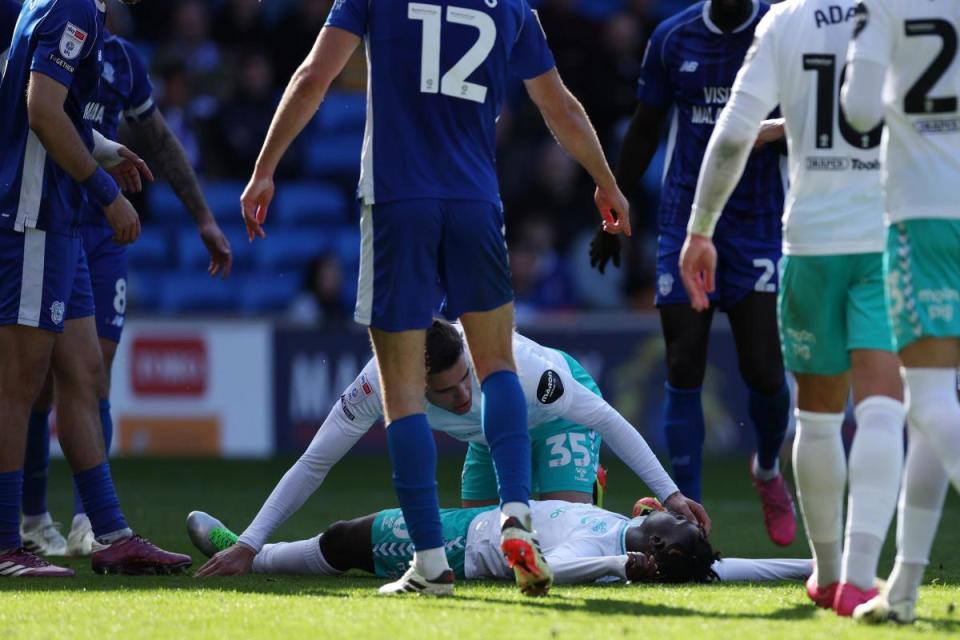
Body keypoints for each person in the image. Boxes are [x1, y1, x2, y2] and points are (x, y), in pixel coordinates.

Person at [238, 0, 631, 596]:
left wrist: (265, 167)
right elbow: (559, 105)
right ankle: (516, 515)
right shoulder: (512, 7)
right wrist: (605, 180)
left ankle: (429, 563)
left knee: (402, 392)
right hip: (476, 202)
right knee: (497, 365)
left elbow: (313, 76)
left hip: (400, 201)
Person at [678, 0, 908, 618]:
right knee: (886, 409)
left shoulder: (785, 20)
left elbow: (732, 133)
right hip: (885, 236)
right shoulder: (902, 11)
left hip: (809, 243)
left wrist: (700, 229)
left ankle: (829, 576)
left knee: (820, 416)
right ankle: (862, 575)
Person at [195, 321, 709, 585]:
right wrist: (252, 538)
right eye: (447, 392)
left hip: (559, 421)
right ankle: (251, 552)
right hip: (490, 439)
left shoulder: (527, 369)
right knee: (483, 555)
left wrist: (670, 493)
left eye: (466, 379)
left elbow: (605, 417)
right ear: (411, 384)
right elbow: (315, 462)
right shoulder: (379, 382)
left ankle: (614, 514)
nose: (464, 396)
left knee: (559, 539)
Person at [16, 19, 233, 557]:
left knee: (92, 372)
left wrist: (203, 216)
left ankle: (92, 524)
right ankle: (29, 517)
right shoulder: (53, 22)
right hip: (52, 212)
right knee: (34, 381)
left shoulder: (122, 58)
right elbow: (35, 112)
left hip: (99, 230)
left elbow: (158, 137)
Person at [589, 0, 795, 548]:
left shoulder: (779, 30)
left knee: (765, 372)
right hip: (685, 220)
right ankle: (690, 520)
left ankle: (769, 468)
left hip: (755, 222)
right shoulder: (672, 37)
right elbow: (646, 127)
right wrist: (612, 214)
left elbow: (811, 125)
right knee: (683, 361)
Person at [841, 0, 960, 624]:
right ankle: (905, 587)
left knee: (931, 403)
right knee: (935, 411)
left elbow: (858, 109)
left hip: (924, 213)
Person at [187, 501, 808, 586]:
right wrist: (818, 566)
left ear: (662, 547)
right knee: (347, 540)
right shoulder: (636, 532)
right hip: (483, 515)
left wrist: (621, 562)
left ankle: (252, 555)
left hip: (467, 541)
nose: (685, 516)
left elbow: (543, 570)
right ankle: (250, 550)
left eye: (685, 528)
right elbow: (733, 570)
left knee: (345, 539)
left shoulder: (611, 551)